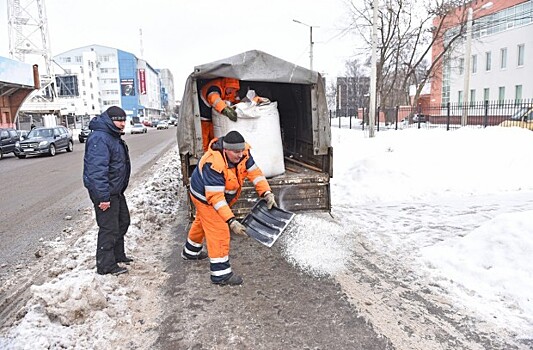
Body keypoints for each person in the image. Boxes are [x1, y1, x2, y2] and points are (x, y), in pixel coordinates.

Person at [182, 130, 277, 285]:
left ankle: (190, 251)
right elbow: (216, 198)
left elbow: (255, 173)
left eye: (241, 151)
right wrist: (231, 221)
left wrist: (266, 192)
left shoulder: (243, 153)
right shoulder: (214, 164)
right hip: (205, 197)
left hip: (216, 195)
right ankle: (221, 274)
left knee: (202, 221)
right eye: (236, 152)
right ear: (226, 150)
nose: (240, 155)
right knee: (219, 229)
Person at [83, 106, 132, 276]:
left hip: (115, 191)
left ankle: (118, 255)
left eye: (124, 120)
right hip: (105, 193)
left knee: (122, 222)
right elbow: (96, 170)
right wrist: (103, 197)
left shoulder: (112, 136)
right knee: (109, 228)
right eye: (119, 120)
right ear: (110, 121)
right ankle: (105, 265)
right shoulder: (100, 138)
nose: (123, 124)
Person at [199, 77, 241, 152]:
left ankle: (214, 153)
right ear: (227, 86)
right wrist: (226, 110)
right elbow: (214, 98)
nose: (232, 92)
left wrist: (240, 106)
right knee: (204, 139)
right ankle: (204, 156)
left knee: (214, 138)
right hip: (203, 118)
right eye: (231, 89)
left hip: (212, 118)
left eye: (234, 90)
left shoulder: (228, 89)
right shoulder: (215, 88)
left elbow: (233, 98)